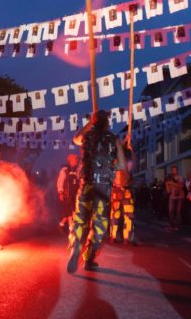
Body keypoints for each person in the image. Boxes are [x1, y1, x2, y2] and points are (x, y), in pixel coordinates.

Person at [67, 110, 127, 273]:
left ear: (94, 122)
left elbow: (76, 138)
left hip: (87, 185)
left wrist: (90, 123)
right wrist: (109, 168)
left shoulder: (87, 137)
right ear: (107, 122)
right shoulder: (114, 140)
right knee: (99, 224)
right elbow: (122, 165)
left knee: (81, 220)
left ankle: (76, 248)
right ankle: (88, 257)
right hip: (103, 188)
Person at [56, 154, 80, 232]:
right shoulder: (65, 170)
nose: (76, 161)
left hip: (75, 194)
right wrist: (60, 192)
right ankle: (71, 228)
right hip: (67, 194)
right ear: (70, 161)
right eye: (75, 159)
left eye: (76, 160)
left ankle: (61, 224)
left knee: (71, 212)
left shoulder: (77, 170)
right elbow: (60, 181)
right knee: (70, 211)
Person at [165, 165, 185, 231]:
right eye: (172, 170)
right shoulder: (169, 178)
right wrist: (167, 185)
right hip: (172, 196)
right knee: (170, 211)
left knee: (178, 212)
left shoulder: (180, 177)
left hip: (180, 196)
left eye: (175, 170)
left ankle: (177, 226)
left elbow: (181, 186)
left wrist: (172, 183)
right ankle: (171, 225)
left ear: (177, 170)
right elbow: (168, 190)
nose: (173, 171)